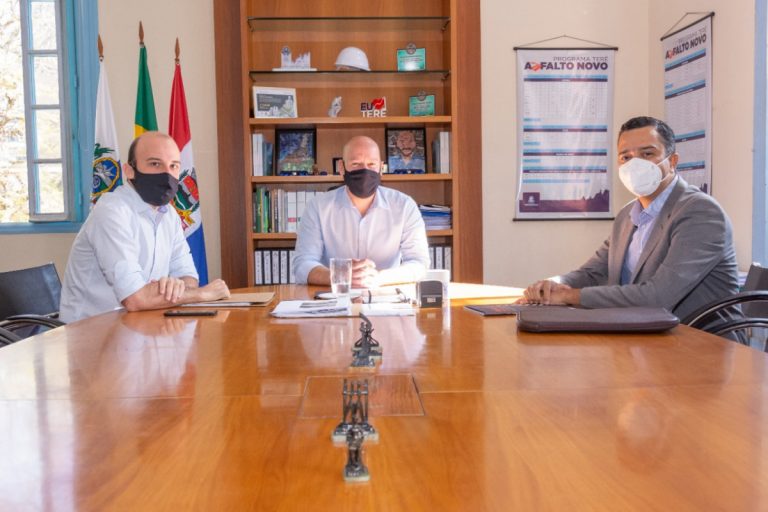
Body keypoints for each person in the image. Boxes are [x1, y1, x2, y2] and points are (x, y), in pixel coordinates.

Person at [520, 116, 739, 323]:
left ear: (672, 161)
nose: (635, 164)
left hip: (698, 339)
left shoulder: (701, 213)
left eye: (647, 154)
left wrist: (569, 296)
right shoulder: (627, 215)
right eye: (626, 157)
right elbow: (594, 272)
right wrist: (553, 285)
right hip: (640, 331)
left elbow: (658, 297)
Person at [60, 131, 230, 322]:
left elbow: (188, 277)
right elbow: (135, 299)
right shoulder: (112, 211)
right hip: (89, 331)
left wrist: (175, 288)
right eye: (155, 164)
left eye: (173, 166)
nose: (166, 174)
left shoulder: (169, 214)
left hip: (140, 325)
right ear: (129, 171)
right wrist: (202, 294)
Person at [292, 135, 429, 287]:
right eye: (356, 164)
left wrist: (378, 278)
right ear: (341, 167)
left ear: (381, 168)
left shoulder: (404, 206)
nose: (365, 170)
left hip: (385, 294)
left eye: (371, 164)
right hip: (334, 295)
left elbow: (419, 263)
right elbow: (302, 264)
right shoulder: (317, 207)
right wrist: (341, 276)